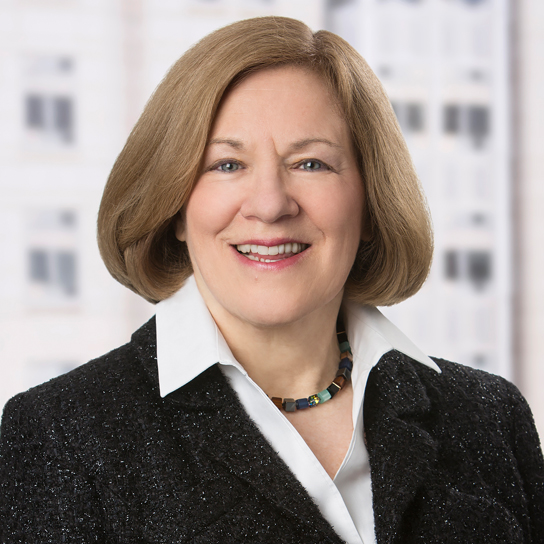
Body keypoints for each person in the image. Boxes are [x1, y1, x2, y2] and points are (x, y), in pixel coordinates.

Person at [1, 16, 543, 544]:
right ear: (175, 207)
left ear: (370, 201)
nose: (269, 204)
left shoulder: (490, 417)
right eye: (226, 165)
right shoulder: (62, 435)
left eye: (310, 164)